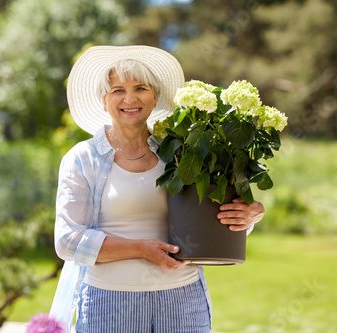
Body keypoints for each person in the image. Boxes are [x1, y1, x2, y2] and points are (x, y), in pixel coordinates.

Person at [50, 45, 265, 333]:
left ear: (154, 97)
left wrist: (248, 217)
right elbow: (68, 241)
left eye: (141, 88)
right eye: (117, 90)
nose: (130, 98)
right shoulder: (83, 158)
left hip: (183, 300)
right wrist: (140, 249)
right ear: (104, 100)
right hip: (110, 303)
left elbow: (210, 218)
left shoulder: (182, 153)